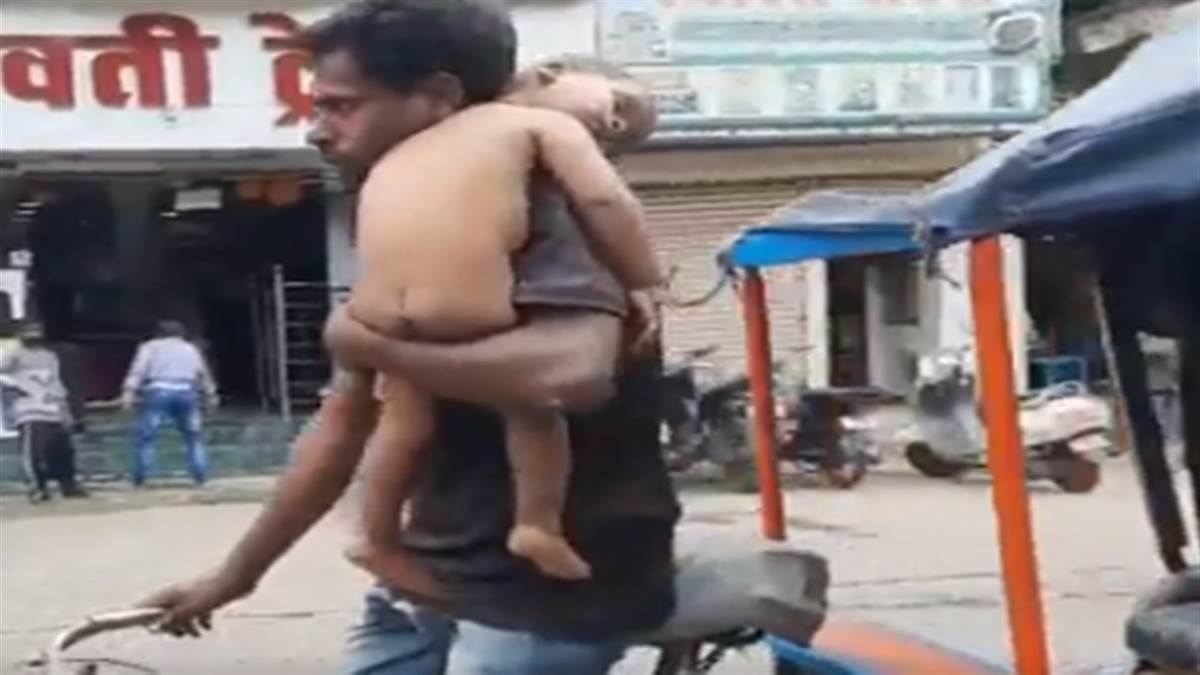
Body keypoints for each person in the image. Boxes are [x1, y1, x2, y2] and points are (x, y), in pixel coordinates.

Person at [141, 2, 679, 673]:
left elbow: (569, 372)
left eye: (342, 106)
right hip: (432, 577)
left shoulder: (544, 200)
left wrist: (372, 345)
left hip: (542, 600)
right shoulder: (416, 202)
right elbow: (341, 423)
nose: (317, 131)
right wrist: (236, 574)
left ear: (438, 96)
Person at [340, 57, 661, 585]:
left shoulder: (416, 142)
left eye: (622, 139)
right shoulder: (547, 126)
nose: (616, 128)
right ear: (553, 72)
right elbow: (606, 201)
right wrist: (640, 280)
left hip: (377, 312)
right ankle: (536, 523)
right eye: (620, 106)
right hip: (464, 310)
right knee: (533, 406)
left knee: (404, 426)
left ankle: (373, 536)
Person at [122, 319, 219, 486]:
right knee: (193, 436)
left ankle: (141, 476)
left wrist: (128, 393)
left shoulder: (149, 347)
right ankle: (200, 475)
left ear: (159, 333)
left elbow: (138, 371)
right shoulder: (190, 349)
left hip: (158, 391)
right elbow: (202, 373)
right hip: (186, 392)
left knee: (147, 436)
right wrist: (211, 395)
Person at [0, 322, 87, 502]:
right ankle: (38, 488)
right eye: (29, 332)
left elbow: (56, 383)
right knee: (34, 453)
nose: (34, 335)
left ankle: (68, 484)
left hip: (52, 410)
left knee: (64, 451)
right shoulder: (14, 357)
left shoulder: (49, 357)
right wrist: (14, 387)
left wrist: (65, 410)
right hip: (30, 412)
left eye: (37, 331)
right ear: (21, 335)